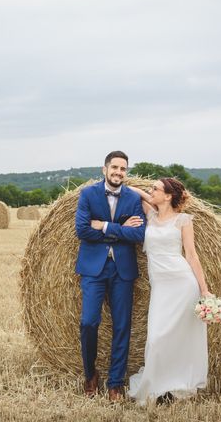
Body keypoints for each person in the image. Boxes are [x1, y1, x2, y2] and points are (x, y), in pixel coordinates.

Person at [125, 177, 211, 405]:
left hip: (183, 284)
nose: (150, 191)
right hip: (161, 287)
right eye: (151, 188)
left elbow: (191, 255)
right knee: (156, 338)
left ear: (169, 195)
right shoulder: (149, 215)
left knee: (178, 338)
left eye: (156, 189)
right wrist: (146, 194)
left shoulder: (183, 220)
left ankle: (175, 385)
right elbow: (131, 189)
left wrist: (204, 290)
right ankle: (155, 383)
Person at [75, 151, 146, 400]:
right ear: (104, 169)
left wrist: (103, 226)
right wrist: (119, 230)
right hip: (93, 268)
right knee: (89, 322)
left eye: (123, 169)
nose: (119, 172)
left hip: (122, 269)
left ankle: (115, 382)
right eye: (114, 167)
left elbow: (138, 235)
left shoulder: (132, 198)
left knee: (122, 325)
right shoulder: (88, 194)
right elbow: (83, 230)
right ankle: (90, 374)